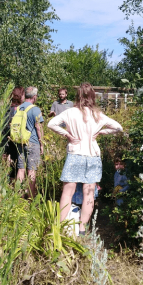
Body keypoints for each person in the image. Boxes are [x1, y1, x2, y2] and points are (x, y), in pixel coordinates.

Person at [48, 82, 123, 235]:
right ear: (92, 97)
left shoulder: (70, 112)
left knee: (67, 193)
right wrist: (102, 132)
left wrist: (66, 134)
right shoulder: (98, 115)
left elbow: (51, 123)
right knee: (89, 193)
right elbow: (118, 127)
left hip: (75, 155)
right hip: (93, 157)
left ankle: (61, 228)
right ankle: (82, 229)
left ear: (77, 96)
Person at [16, 86, 44, 198]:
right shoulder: (35, 109)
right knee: (32, 171)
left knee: (21, 169)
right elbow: (38, 127)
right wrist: (42, 144)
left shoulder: (19, 108)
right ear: (34, 97)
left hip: (20, 142)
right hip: (33, 143)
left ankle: (18, 197)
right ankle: (30, 199)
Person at [3, 86, 25, 179]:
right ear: (20, 96)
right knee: (15, 165)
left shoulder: (7, 109)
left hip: (5, 141)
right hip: (15, 141)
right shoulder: (19, 110)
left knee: (7, 166)